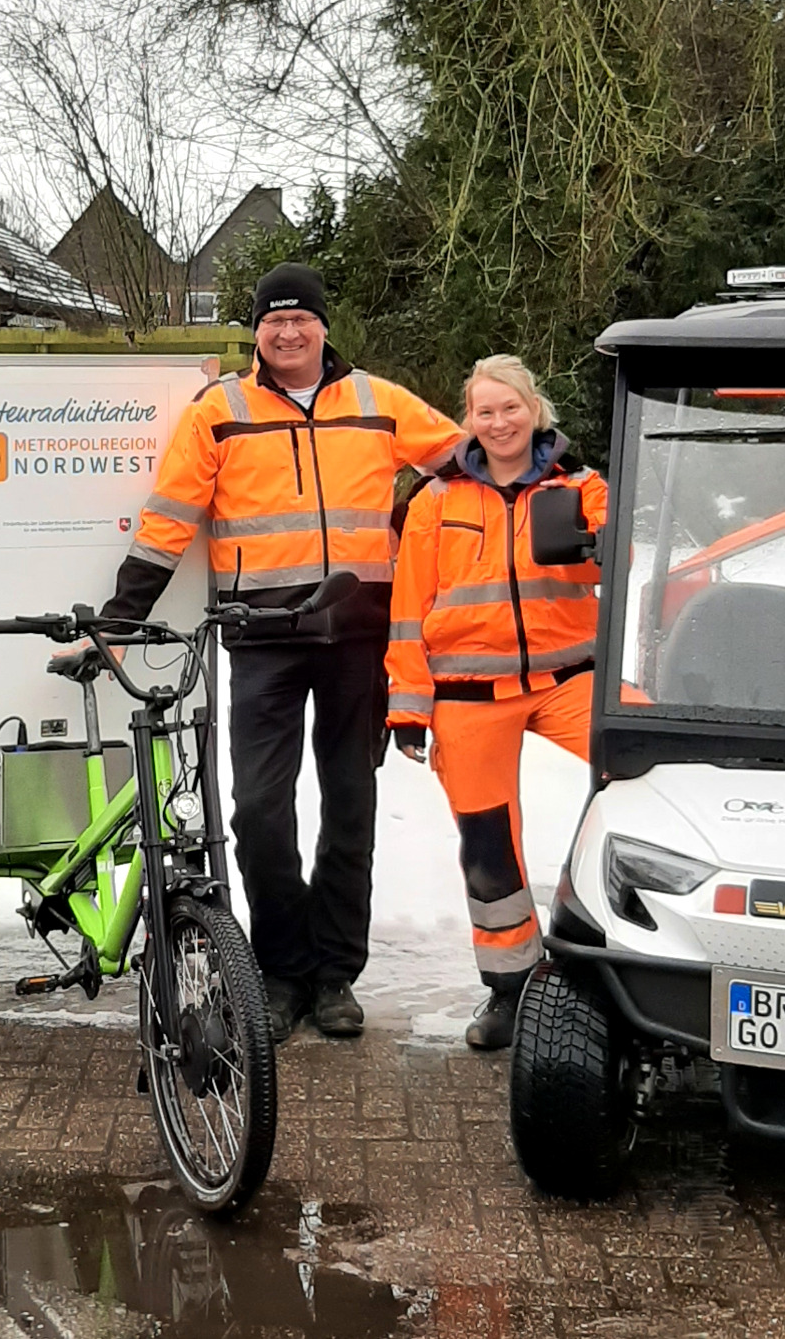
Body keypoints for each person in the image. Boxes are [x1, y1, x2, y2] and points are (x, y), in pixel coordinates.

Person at [101, 262, 464, 1042]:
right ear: (256, 330)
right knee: (260, 811)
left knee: (349, 809)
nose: (289, 332)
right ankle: (282, 968)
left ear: (325, 327)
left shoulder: (379, 402)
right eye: (274, 320)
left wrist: (541, 470)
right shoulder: (219, 412)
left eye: (302, 319)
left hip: (358, 638)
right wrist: (121, 617)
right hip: (261, 639)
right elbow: (170, 517)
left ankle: (335, 976)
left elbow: (465, 464)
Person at [387, 355, 607, 1050]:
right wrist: (409, 706)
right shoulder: (437, 500)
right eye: (485, 411)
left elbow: (625, 564)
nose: (500, 422)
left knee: (643, 777)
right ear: (469, 420)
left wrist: (594, 542)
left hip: (568, 680)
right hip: (468, 694)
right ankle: (510, 989)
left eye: (510, 407)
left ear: (534, 410)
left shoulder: (580, 487)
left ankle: (617, 952)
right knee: (486, 847)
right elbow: (406, 612)